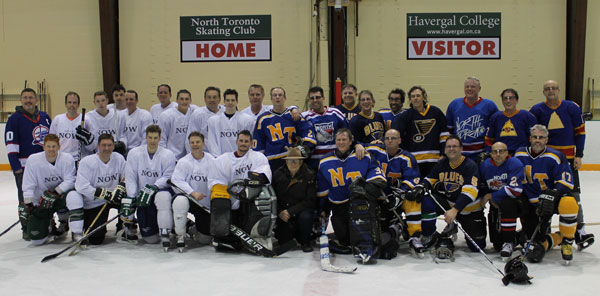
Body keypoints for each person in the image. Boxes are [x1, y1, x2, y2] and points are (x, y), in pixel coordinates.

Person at [529, 80, 593, 251]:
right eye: (547, 88)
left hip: (568, 160)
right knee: (546, 196)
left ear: (558, 90)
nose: (551, 91)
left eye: (553, 88)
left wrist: (579, 154)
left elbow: (580, 132)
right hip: (545, 161)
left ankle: (580, 231)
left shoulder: (571, 108)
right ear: (543, 92)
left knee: (573, 196)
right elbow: (534, 134)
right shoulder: (537, 110)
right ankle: (545, 230)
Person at [514, 124, 579, 264]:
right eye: (535, 137)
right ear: (530, 139)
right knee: (536, 244)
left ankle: (567, 241)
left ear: (546, 139)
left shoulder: (555, 155)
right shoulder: (519, 154)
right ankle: (558, 236)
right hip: (530, 203)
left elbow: (566, 181)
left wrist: (553, 193)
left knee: (569, 202)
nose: (538, 140)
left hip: (550, 200)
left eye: (541, 138)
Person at [317, 128, 386, 254]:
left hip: (359, 204)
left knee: (362, 236)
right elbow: (323, 188)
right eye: (338, 140)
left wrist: (368, 187)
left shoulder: (363, 156)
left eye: (344, 140)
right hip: (338, 204)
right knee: (345, 240)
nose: (341, 142)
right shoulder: (324, 161)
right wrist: (323, 209)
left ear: (350, 142)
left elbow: (376, 174)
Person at [420, 135, 486, 261]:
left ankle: (454, 225)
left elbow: (470, 192)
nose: (452, 149)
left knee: (477, 247)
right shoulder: (442, 163)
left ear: (461, 148)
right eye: (449, 146)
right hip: (449, 206)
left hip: (469, 210)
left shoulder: (470, 165)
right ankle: (430, 235)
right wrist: (421, 186)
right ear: (445, 149)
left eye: (455, 146)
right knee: (426, 200)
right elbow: (430, 179)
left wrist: (455, 210)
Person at [208, 130, 273, 250]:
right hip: (230, 198)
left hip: (249, 198)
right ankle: (223, 238)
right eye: (241, 141)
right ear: (237, 142)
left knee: (264, 197)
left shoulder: (258, 157)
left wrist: (250, 187)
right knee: (219, 200)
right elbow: (215, 179)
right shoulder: (223, 160)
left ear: (251, 143)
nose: (243, 143)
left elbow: (264, 173)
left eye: (246, 141)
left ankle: (256, 235)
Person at [366, 129, 425, 257]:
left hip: (397, 196)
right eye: (387, 138)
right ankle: (398, 226)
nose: (390, 141)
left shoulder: (407, 158)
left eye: (393, 138)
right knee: (382, 230)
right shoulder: (375, 150)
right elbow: (357, 145)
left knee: (413, 199)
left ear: (399, 140)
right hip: (379, 196)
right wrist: (358, 145)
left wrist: (400, 194)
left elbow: (412, 179)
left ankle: (415, 236)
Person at [5, 88, 51, 239]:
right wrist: (16, 168)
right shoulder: (14, 119)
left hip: (44, 165)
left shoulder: (44, 116)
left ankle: (48, 222)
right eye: (25, 98)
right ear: (21, 100)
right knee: (26, 198)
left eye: (31, 97)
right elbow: (11, 146)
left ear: (36, 100)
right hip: (24, 167)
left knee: (46, 196)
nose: (28, 100)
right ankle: (26, 227)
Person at [66, 134, 126, 245]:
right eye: (104, 145)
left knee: (129, 198)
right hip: (96, 201)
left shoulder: (119, 158)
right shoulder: (87, 162)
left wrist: (121, 186)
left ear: (113, 146)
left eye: (109, 145)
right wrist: (103, 194)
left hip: (115, 198)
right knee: (96, 239)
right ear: (98, 146)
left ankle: (124, 226)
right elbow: (81, 186)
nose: (107, 148)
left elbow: (126, 176)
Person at [123, 124, 177, 247]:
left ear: (159, 138)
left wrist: (154, 187)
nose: (152, 141)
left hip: (159, 192)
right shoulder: (134, 153)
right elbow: (131, 177)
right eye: (150, 137)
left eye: (155, 138)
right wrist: (132, 197)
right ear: (146, 138)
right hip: (143, 198)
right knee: (151, 239)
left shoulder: (168, 155)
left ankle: (167, 228)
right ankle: (131, 225)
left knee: (163, 198)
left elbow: (168, 176)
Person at [18, 134, 75, 245]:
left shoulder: (67, 159)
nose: (51, 149)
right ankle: (48, 221)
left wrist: (55, 192)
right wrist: (29, 205)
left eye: (54, 146)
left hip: (60, 197)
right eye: (48, 146)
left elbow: (70, 180)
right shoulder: (33, 160)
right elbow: (28, 184)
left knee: (72, 195)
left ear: (59, 146)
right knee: (37, 240)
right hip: (41, 202)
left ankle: (64, 221)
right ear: (44, 147)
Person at [170, 131, 216, 251]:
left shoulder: (212, 161)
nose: (195, 145)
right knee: (180, 200)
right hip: (189, 200)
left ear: (203, 144)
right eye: (192, 142)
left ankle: (192, 227)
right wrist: (192, 192)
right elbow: (176, 181)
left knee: (204, 239)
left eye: (198, 142)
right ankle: (180, 233)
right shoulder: (183, 162)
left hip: (205, 205)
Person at [479, 141, 524, 260]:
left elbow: (516, 190)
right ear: (491, 154)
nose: (498, 154)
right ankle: (518, 237)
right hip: (496, 203)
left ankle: (509, 242)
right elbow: (482, 185)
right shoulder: (485, 166)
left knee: (507, 203)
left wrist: (491, 196)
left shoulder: (515, 163)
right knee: (497, 245)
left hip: (518, 203)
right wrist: (488, 196)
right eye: (495, 152)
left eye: (501, 151)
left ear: (507, 153)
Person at [253, 86, 316, 171]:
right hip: (272, 162)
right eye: (275, 95)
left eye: (280, 95)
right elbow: (258, 143)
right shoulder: (263, 119)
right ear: (271, 98)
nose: (277, 97)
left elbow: (308, 133)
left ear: (285, 98)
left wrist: (303, 149)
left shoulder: (294, 115)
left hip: (293, 160)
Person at [391, 86, 448, 178]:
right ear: (410, 99)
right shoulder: (405, 116)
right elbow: (396, 135)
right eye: (413, 96)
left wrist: (443, 154)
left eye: (418, 95)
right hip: (414, 161)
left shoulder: (436, 112)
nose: (415, 98)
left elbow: (445, 135)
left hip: (435, 160)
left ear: (424, 97)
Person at [272, 147, 316, 252]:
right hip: (283, 211)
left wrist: (290, 212)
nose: (293, 163)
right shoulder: (278, 174)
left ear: (301, 161)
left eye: (296, 160)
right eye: (290, 160)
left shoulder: (309, 174)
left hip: (301, 210)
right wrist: (280, 212)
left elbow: (310, 200)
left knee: (306, 217)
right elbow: (273, 197)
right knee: (284, 240)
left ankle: (305, 241)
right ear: (286, 161)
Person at [446, 76, 498, 160]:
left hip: (481, 153)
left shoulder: (489, 105)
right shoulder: (454, 104)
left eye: (473, 87)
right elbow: (449, 130)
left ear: (479, 88)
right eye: (467, 86)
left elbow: (496, 128)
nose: (469, 89)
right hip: (459, 153)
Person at [301, 86, 349, 169]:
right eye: (312, 98)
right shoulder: (304, 116)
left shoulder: (335, 113)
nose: (315, 100)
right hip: (313, 163)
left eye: (318, 97)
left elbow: (348, 132)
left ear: (323, 98)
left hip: (335, 160)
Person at [485, 88, 537, 155]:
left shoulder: (527, 116)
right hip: (500, 155)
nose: (508, 101)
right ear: (502, 101)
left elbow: (534, 138)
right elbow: (488, 139)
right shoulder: (495, 117)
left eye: (511, 98)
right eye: (505, 98)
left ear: (517, 100)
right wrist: (491, 153)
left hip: (521, 154)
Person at [206, 88, 254, 155]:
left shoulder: (247, 120)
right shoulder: (214, 121)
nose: (230, 103)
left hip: (241, 159)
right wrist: (218, 159)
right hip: (221, 160)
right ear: (224, 102)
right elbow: (212, 142)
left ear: (237, 101)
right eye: (228, 100)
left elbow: (249, 142)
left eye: (233, 100)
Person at [81, 91, 127, 157]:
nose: (101, 103)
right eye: (98, 101)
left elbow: (122, 134)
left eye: (103, 100)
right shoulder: (88, 117)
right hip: (97, 154)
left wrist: (123, 144)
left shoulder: (118, 115)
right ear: (94, 102)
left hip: (114, 152)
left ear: (107, 101)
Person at [158, 89, 197, 160]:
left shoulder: (194, 113)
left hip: (190, 157)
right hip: (172, 157)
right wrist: (163, 157)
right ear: (177, 100)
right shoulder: (166, 116)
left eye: (186, 99)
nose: (184, 102)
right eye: (181, 99)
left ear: (190, 101)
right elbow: (162, 139)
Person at [49, 91, 83, 162]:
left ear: (78, 104)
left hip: (79, 159)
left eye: (74, 103)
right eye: (69, 102)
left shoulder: (86, 120)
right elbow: (51, 140)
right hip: (61, 159)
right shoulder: (57, 119)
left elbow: (92, 145)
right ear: (65, 104)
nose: (72, 105)